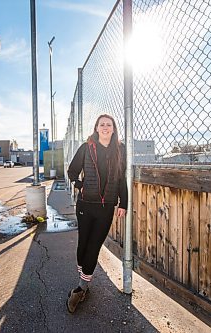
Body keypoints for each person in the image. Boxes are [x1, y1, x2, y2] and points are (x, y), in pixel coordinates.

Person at [66, 114, 128, 314]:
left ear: (113, 128)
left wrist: (123, 203)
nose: (105, 127)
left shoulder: (120, 150)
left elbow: (121, 178)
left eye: (109, 125)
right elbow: (72, 171)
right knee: (82, 245)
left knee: (94, 246)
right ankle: (84, 277)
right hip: (85, 205)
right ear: (96, 127)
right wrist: (80, 186)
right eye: (102, 124)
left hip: (106, 207)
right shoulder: (86, 147)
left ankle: (81, 288)